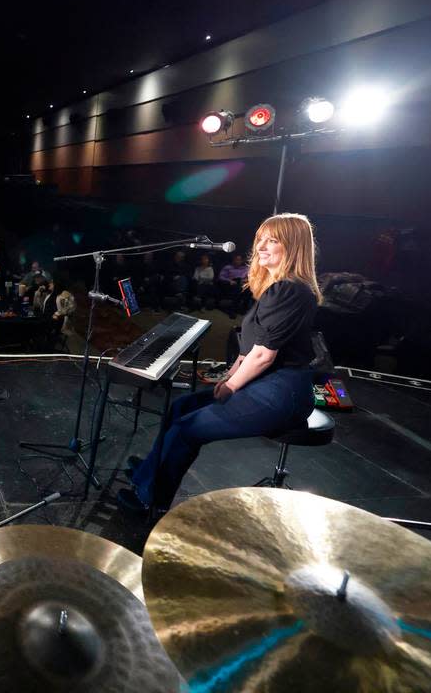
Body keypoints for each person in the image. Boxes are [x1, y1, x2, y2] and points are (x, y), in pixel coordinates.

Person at [117, 214, 322, 515]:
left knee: (188, 429)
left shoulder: (289, 290)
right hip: (267, 382)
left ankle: (151, 500)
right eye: (260, 240)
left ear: (293, 247)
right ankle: (149, 471)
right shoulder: (278, 288)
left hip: (281, 393)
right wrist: (231, 373)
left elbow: (264, 354)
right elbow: (250, 348)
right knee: (181, 408)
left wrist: (232, 385)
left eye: (273, 241)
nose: (261, 247)